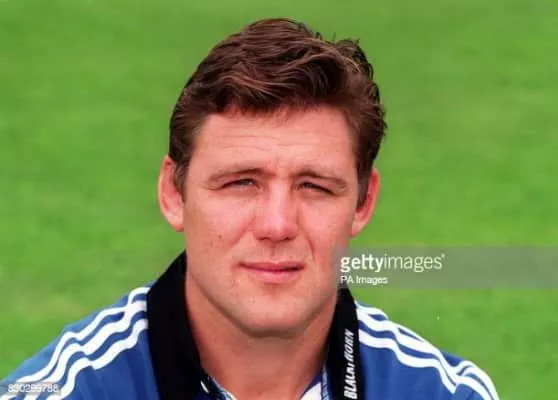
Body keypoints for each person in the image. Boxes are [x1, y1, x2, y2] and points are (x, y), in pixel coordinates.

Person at [1, 18, 499, 400]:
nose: (277, 224)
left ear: (363, 202)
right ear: (174, 194)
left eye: (314, 187)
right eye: (241, 183)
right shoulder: (64, 393)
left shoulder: (443, 393)